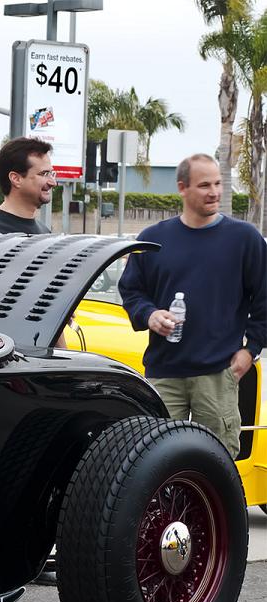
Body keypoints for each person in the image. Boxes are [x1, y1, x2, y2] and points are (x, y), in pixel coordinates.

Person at [118, 152, 266, 456]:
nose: (214, 192)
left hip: (218, 374)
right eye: (204, 185)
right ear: (182, 188)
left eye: (217, 183)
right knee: (153, 463)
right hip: (163, 373)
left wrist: (250, 350)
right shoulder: (153, 239)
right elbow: (131, 291)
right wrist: (149, 315)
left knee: (217, 465)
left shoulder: (245, 239)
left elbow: (265, 299)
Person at [0, 137, 56, 234]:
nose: (53, 182)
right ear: (16, 179)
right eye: (44, 174)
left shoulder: (44, 232)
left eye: (51, 174)